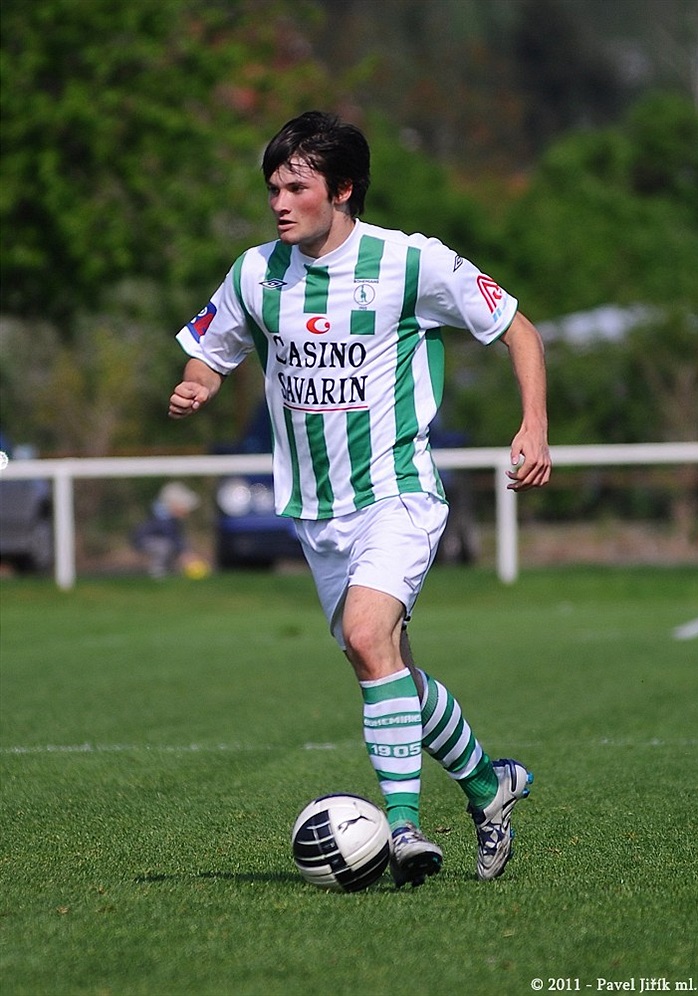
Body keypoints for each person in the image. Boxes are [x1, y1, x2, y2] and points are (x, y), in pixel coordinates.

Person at [168, 111, 551, 887]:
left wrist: (534, 425)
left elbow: (518, 329)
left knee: (370, 635)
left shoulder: (412, 264)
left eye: (296, 186)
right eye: (273, 186)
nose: (279, 201)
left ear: (341, 190)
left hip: (398, 493)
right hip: (316, 510)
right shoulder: (255, 273)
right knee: (382, 664)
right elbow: (212, 351)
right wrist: (196, 385)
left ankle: (402, 831)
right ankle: (488, 784)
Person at [132, 481, 202, 579]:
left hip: (161, 541)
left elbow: (178, 538)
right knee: (165, 547)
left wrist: (187, 551)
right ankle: (157, 573)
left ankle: (168, 572)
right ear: (174, 504)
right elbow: (170, 536)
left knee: (172, 546)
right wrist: (184, 553)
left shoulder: (173, 519)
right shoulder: (162, 518)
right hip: (144, 541)